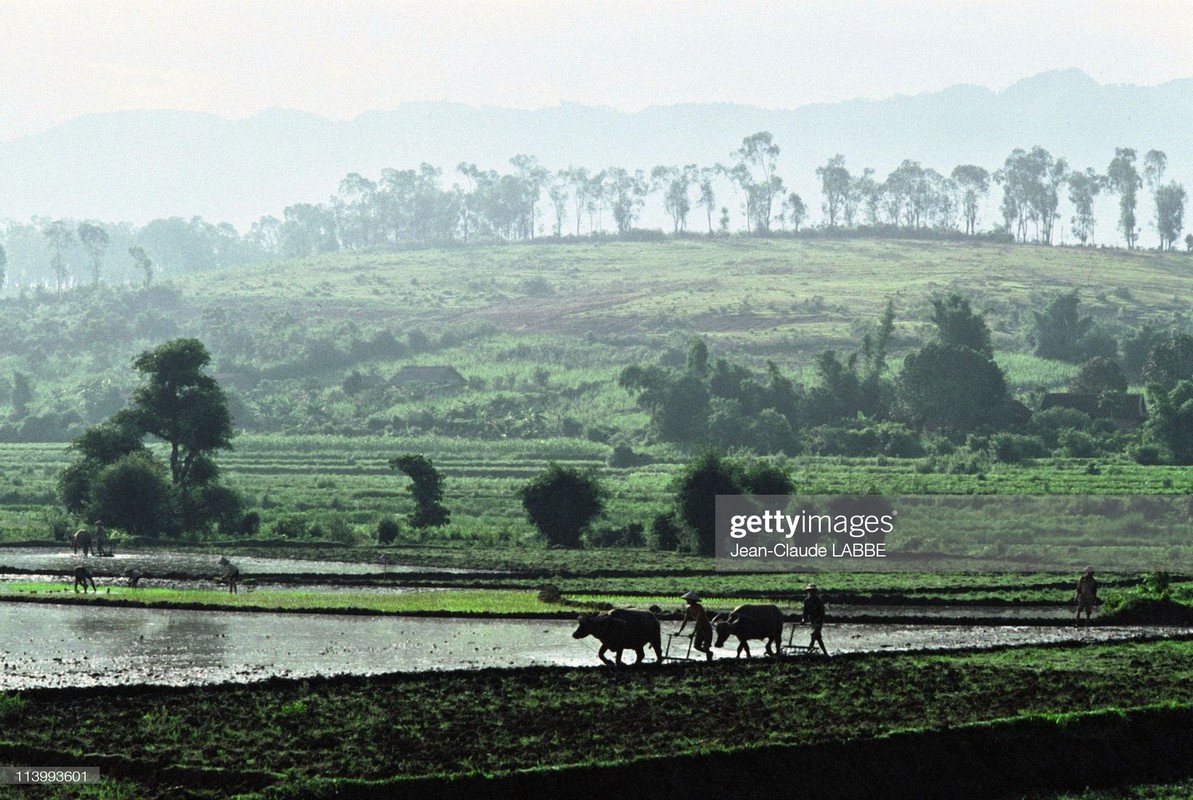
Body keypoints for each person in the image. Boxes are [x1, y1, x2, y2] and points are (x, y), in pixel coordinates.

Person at [675, 590, 714, 661]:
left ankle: (709, 661)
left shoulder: (699, 608)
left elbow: (698, 621)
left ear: (692, 600)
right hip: (699, 629)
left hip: (706, 628)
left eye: (688, 599)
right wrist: (679, 632)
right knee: (697, 646)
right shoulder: (688, 609)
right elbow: (685, 621)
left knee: (706, 646)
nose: (687, 601)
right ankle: (709, 653)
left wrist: (693, 633)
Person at [802, 583, 829, 656]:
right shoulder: (806, 601)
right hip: (812, 621)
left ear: (815, 591)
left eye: (813, 591)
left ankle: (809, 651)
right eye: (810, 591)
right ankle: (825, 654)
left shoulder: (819, 601)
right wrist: (803, 619)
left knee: (813, 635)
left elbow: (822, 613)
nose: (811, 592)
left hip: (819, 621)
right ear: (808, 591)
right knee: (817, 638)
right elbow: (805, 612)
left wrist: (818, 621)